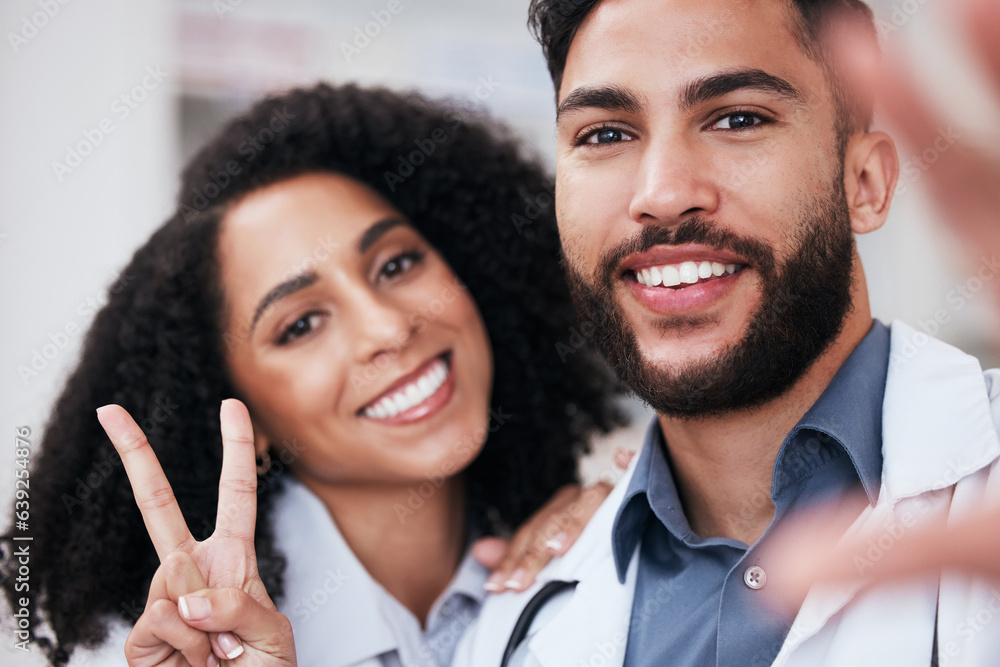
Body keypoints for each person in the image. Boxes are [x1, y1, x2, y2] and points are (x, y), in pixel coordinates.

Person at [451, 0, 1000, 665]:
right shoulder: (513, 624)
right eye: (604, 134)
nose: (661, 193)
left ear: (865, 183)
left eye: (738, 118)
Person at [0, 83, 625, 667]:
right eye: (300, 325)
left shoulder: (594, 555)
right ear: (245, 413)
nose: (386, 328)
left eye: (397, 263)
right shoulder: (177, 645)